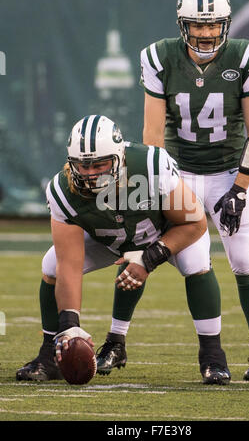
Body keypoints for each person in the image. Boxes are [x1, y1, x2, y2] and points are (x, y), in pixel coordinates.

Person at [17, 114, 230, 385]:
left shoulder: (151, 164)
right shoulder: (62, 190)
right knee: (51, 266)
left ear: (119, 156)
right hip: (112, 238)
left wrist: (149, 258)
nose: (91, 173)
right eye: (83, 165)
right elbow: (68, 263)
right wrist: (69, 325)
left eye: (100, 163)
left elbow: (194, 223)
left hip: (168, 232)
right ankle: (49, 356)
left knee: (195, 262)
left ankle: (213, 357)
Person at [137, 0, 249, 381]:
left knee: (244, 260)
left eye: (213, 24)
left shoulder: (247, 57)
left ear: (225, 23)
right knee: (195, 265)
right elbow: (152, 135)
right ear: (183, 25)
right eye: (197, 25)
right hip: (182, 174)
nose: (205, 33)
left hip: (230, 172)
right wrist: (162, 185)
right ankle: (213, 359)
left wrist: (240, 188)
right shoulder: (160, 57)